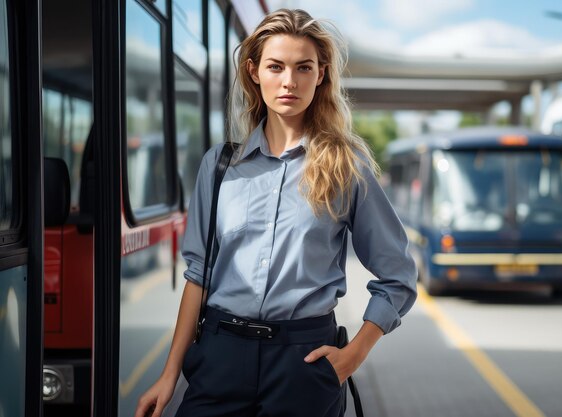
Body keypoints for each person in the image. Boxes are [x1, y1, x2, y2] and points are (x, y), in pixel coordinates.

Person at [135, 8, 417, 417]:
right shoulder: (219, 166)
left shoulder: (346, 165)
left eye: (304, 67)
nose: (289, 81)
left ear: (321, 75)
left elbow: (398, 276)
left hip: (302, 364)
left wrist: (354, 354)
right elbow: (197, 277)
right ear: (254, 72)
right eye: (276, 66)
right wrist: (169, 375)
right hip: (220, 357)